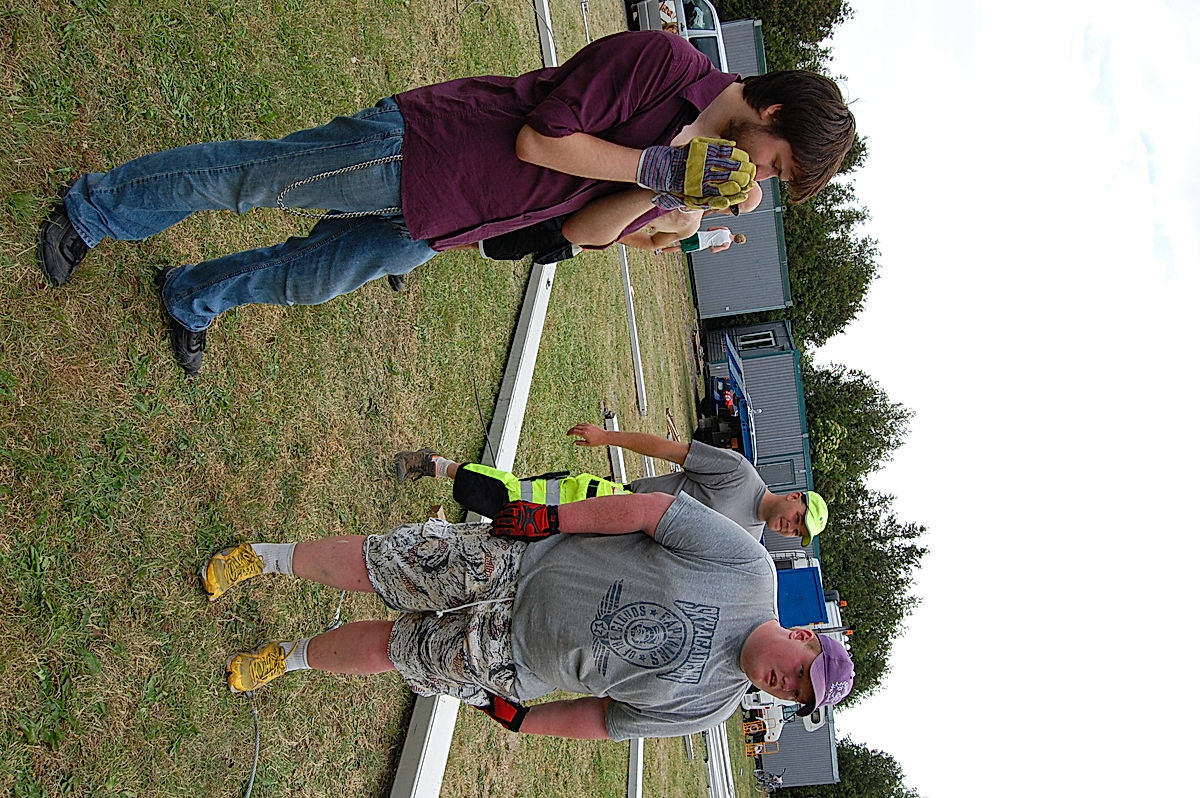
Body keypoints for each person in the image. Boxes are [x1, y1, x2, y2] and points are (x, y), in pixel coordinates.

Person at [36, 30, 854, 374]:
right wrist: (658, 169)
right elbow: (541, 140)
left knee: (310, 275)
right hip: (423, 150)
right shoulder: (663, 65)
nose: (763, 181)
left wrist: (675, 206)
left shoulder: (691, 166)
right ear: (772, 115)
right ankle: (94, 208)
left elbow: (578, 229)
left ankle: (191, 295)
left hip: (450, 221)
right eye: (777, 167)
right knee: (253, 180)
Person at [201, 492, 854, 739]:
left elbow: (607, 720)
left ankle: (284, 659)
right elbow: (654, 512)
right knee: (385, 567)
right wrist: (549, 518)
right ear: (802, 637)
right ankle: (263, 559)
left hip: (512, 661)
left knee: (397, 652)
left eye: (796, 695)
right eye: (800, 672)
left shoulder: (709, 709)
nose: (785, 686)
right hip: (522, 560)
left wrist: (525, 721)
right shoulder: (750, 569)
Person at [394, 421, 829, 543]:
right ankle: (435, 464)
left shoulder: (747, 543)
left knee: (519, 542)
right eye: (797, 518)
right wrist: (606, 438)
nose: (791, 528)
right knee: (514, 499)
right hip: (606, 503)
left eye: (798, 532)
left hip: (617, 546)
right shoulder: (737, 473)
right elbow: (666, 449)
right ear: (793, 496)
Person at [658, 227, 747, 255]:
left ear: (737, 234)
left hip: (700, 235)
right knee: (680, 248)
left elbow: (710, 228)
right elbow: (713, 250)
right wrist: (711, 244)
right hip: (701, 245)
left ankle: (659, 242)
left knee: (678, 237)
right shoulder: (726, 245)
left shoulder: (726, 229)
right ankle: (660, 250)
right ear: (736, 242)